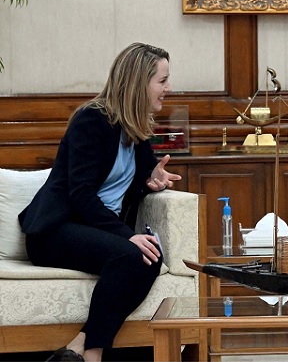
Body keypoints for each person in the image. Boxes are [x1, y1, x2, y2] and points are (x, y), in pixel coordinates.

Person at [18, 43, 182, 362]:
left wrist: (151, 181)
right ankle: (93, 353)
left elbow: (134, 180)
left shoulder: (135, 128)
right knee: (130, 251)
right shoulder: (91, 120)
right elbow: (81, 195)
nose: (168, 88)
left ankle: (80, 348)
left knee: (150, 256)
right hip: (54, 232)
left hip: (94, 230)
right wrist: (126, 235)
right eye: (162, 81)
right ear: (139, 83)